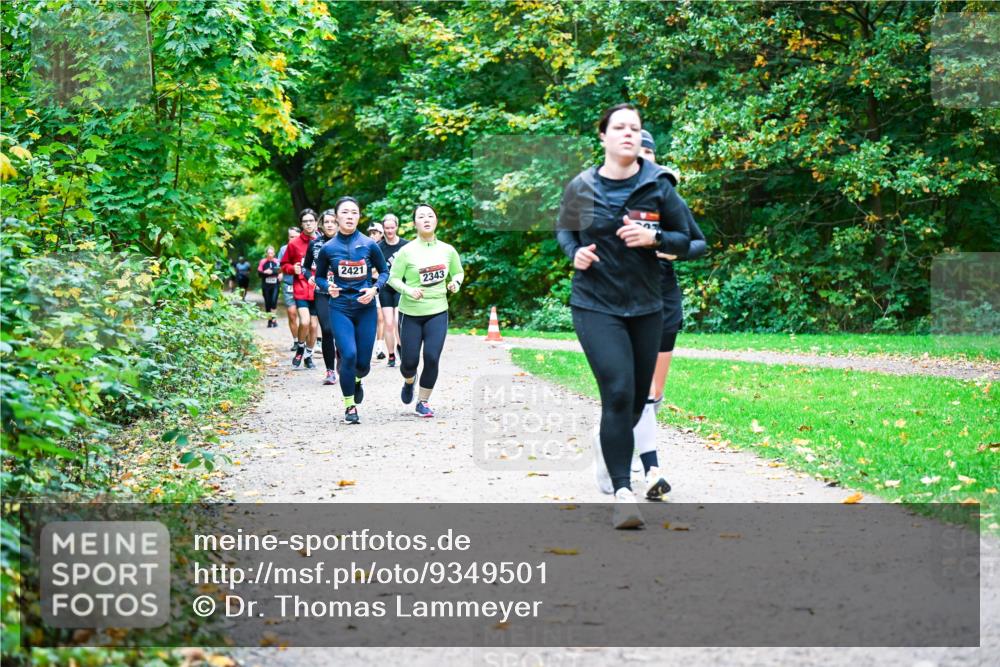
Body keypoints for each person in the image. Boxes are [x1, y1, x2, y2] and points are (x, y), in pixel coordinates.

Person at [555, 103, 694, 529]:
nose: (628, 134)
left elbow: (690, 239)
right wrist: (573, 253)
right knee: (617, 390)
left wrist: (654, 237)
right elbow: (564, 230)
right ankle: (622, 492)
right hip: (595, 304)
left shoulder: (658, 186)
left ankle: (609, 445)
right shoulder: (581, 186)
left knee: (635, 400)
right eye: (620, 127)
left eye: (635, 128)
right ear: (603, 136)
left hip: (647, 307)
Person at [594, 129, 707, 502]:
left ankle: (610, 450)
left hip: (663, 300)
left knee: (652, 395)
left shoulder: (665, 196)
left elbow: (698, 242)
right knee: (631, 393)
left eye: (646, 153)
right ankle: (649, 468)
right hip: (620, 302)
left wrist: (671, 249)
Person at [314, 197, 389, 424]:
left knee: (363, 365)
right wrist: (329, 286)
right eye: (345, 212)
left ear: (359, 216)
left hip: (365, 308)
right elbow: (318, 276)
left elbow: (385, 272)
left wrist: (375, 289)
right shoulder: (328, 248)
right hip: (340, 308)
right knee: (348, 355)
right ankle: (350, 406)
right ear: (336, 217)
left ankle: (357, 379)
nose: (349, 216)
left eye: (354, 212)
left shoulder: (369, 244)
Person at [387, 204, 463, 419]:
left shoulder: (448, 250)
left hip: (438, 311)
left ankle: (423, 401)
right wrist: (408, 290)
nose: (427, 219)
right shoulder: (406, 251)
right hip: (410, 313)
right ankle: (409, 380)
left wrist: (455, 283)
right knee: (409, 363)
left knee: (431, 357)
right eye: (421, 216)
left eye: (430, 216)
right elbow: (392, 278)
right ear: (415, 223)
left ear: (436, 220)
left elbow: (458, 272)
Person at [304, 209, 340, 385]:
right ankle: (330, 371)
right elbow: (304, 267)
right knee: (327, 330)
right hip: (322, 292)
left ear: (338, 223)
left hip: (343, 293)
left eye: (333, 222)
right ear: (322, 225)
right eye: (327, 222)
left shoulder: (346, 243)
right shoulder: (315, 244)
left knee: (341, 331)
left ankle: (342, 357)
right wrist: (309, 277)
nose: (330, 225)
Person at [281, 210, 319, 369]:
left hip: (318, 289)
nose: (309, 223)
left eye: (311, 220)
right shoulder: (294, 244)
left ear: (317, 222)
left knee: (314, 326)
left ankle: (308, 356)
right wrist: (292, 269)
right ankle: (300, 347)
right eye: (305, 221)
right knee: (304, 321)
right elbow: (284, 265)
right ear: (301, 224)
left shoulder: (323, 242)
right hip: (301, 287)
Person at [378, 213, 408, 368]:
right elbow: (372, 268)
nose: (389, 231)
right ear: (383, 228)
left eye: (392, 227)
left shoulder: (405, 245)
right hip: (386, 288)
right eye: (386, 228)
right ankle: (391, 354)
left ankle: (401, 348)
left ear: (397, 227)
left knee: (398, 322)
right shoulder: (378, 247)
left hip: (401, 287)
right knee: (388, 323)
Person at [367, 222, 389, 361]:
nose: (372, 235)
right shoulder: (367, 247)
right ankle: (370, 347)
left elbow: (384, 269)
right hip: (369, 286)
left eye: (375, 233)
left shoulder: (384, 248)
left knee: (382, 318)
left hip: (383, 286)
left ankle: (380, 348)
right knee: (373, 318)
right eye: (370, 233)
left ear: (381, 234)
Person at [277, 227, 300, 350]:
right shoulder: (283, 249)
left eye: (296, 236)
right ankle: (296, 341)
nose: (294, 239)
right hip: (288, 285)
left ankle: (305, 340)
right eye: (291, 237)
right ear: (288, 238)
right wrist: (282, 271)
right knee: (292, 314)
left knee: (305, 315)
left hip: (303, 285)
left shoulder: (305, 248)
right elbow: (279, 266)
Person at [258, 246, 281, 327]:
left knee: (274, 302)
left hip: (275, 285)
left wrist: (272, 272)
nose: (270, 255)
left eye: (272, 253)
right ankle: (269, 320)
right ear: (266, 254)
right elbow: (259, 273)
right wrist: (265, 272)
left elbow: (280, 270)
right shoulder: (263, 262)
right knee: (268, 303)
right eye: (268, 253)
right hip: (266, 286)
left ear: (274, 253)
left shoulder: (277, 261)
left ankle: (274, 320)